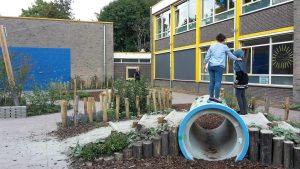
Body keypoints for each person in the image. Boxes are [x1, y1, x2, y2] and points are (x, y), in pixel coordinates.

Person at [203, 33, 242, 103]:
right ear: (223, 39)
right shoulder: (224, 47)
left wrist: (204, 64)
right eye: (225, 40)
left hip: (211, 66)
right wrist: (237, 59)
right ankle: (217, 97)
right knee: (218, 82)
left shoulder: (212, 46)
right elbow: (230, 55)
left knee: (212, 81)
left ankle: (211, 97)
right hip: (219, 66)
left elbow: (207, 56)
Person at [233, 49, 249, 115]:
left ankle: (242, 112)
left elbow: (239, 74)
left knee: (238, 95)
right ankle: (245, 111)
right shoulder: (242, 61)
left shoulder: (237, 62)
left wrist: (235, 82)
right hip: (245, 79)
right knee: (243, 96)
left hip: (241, 80)